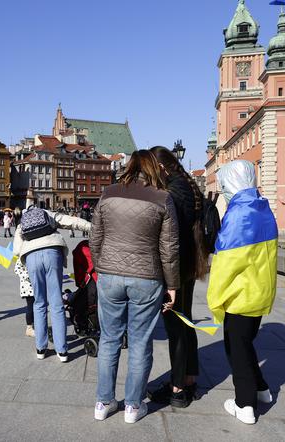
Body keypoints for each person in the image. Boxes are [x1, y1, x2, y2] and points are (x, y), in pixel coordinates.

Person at [89, 150, 179, 424]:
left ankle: (103, 402)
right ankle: (133, 406)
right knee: (140, 343)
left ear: (129, 167)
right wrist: (172, 285)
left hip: (110, 276)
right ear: (154, 168)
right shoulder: (163, 198)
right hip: (147, 278)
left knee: (109, 339)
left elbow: (95, 237)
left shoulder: (108, 193)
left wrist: (101, 267)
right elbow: (169, 248)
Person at [207, 160, 277, 425]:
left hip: (240, 296)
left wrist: (215, 300)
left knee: (236, 348)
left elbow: (226, 264)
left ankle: (244, 404)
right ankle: (261, 390)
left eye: (224, 184)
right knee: (245, 343)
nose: (223, 189)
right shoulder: (262, 207)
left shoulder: (238, 214)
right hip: (260, 292)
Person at [148, 147, 209, 408]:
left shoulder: (173, 191)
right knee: (185, 322)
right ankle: (189, 379)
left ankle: (177, 389)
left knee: (177, 327)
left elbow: (169, 234)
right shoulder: (188, 185)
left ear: (161, 167)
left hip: (177, 267)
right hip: (189, 264)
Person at [13, 206, 91, 363]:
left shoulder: (23, 223)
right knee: (56, 303)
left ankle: (41, 349)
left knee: (39, 302)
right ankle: (62, 351)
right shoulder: (47, 214)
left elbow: (16, 250)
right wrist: (93, 227)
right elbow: (71, 221)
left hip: (31, 257)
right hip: (52, 252)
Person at [14, 259, 35, 337]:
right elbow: (17, 269)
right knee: (30, 307)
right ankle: (29, 328)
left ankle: (34, 325)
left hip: (36, 287)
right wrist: (31, 276)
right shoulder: (22, 257)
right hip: (28, 288)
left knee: (36, 307)